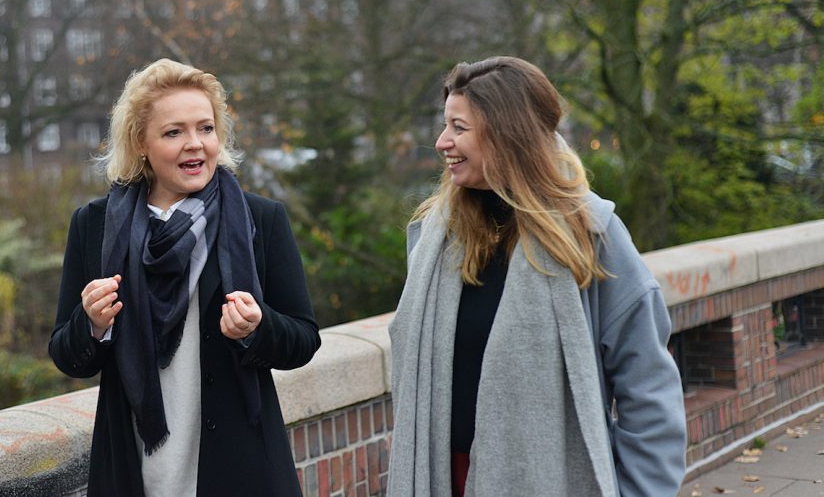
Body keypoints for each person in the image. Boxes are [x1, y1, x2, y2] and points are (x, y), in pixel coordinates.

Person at [387, 57, 687, 497]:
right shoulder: (434, 239)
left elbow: (648, 386)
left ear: (508, 133)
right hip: (443, 478)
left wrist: (641, 491)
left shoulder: (591, 234)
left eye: (459, 128)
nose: (441, 142)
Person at [49, 58, 321, 496]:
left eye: (206, 128)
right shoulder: (95, 226)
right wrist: (93, 324)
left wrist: (257, 328)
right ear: (141, 142)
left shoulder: (260, 219)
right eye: (174, 132)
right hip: (135, 468)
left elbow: (303, 339)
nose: (195, 144)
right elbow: (67, 355)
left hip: (239, 470)